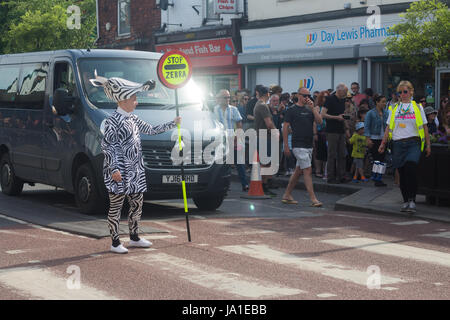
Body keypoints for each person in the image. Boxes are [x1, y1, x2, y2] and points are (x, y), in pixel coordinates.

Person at [90, 73, 181, 254]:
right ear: (123, 100)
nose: (136, 102)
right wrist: (114, 168)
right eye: (134, 98)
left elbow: (151, 130)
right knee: (116, 206)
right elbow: (108, 147)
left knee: (137, 203)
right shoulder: (111, 121)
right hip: (119, 171)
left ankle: (134, 236)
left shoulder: (133, 118)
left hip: (135, 170)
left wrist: (172, 123)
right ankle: (115, 242)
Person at [379, 80, 431, 214]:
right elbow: (388, 127)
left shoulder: (418, 107)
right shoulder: (394, 108)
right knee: (402, 173)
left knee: (410, 167)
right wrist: (383, 143)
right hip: (397, 144)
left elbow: (425, 127)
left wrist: (428, 145)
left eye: (405, 91)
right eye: (400, 92)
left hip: (413, 143)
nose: (403, 94)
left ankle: (412, 200)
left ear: (411, 92)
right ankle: (405, 201)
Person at [281, 87, 323, 207]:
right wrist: (286, 145)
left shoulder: (310, 109)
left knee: (298, 171)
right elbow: (285, 127)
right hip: (298, 144)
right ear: (299, 96)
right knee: (308, 170)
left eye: (309, 96)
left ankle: (287, 194)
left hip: (308, 144)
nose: (307, 98)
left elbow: (320, 122)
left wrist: (314, 109)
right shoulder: (291, 110)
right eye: (305, 95)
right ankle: (313, 198)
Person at [214, 89, 249, 192]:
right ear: (219, 99)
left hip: (234, 139)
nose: (227, 99)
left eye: (229, 97)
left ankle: (245, 184)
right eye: (225, 97)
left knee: (240, 162)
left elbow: (239, 124)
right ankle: (225, 184)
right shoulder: (215, 109)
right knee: (224, 164)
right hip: (220, 140)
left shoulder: (234, 109)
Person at [321, 83, 351, 184]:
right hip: (331, 130)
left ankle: (341, 175)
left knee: (342, 154)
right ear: (339, 90)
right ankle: (330, 177)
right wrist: (336, 117)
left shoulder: (343, 100)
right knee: (332, 154)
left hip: (341, 130)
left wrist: (346, 127)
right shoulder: (330, 99)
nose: (346, 93)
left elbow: (342, 115)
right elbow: (323, 114)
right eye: (345, 91)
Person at [254, 85, 279, 196]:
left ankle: (264, 186)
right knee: (265, 163)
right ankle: (264, 187)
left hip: (261, 136)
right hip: (265, 137)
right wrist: (276, 132)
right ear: (267, 94)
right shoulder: (263, 106)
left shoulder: (258, 104)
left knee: (265, 162)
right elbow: (269, 123)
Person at [365, 95, 389, 187]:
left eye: (385, 101)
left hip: (383, 139)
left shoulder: (386, 113)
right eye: (382, 101)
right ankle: (375, 177)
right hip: (374, 139)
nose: (384, 103)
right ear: (377, 102)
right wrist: (368, 139)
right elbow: (366, 126)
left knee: (382, 160)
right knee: (376, 159)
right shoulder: (370, 113)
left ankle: (379, 178)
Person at [313, 90, 329, 178]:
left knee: (326, 153)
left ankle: (324, 171)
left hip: (328, 132)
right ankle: (318, 170)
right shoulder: (317, 108)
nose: (325, 99)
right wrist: (315, 133)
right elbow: (314, 122)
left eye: (327, 97)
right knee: (318, 152)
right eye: (324, 97)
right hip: (319, 132)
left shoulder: (329, 107)